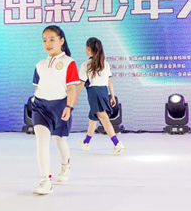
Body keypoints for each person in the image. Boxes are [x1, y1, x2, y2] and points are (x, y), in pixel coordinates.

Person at [31, 25, 79, 195]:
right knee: (42, 142)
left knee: (59, 140)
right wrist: (34, 99)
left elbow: (72, 88)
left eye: (52, 39)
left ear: (61, 41)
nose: (48, 44)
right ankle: (45, 181)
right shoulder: (40, 65)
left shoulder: (69, 62)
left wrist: (69, 107)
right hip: (40, 107)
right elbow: (37, 87)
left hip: (60, 107)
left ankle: (65, 166)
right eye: (44, 40)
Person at [76, 37, 125, 156]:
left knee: (103, 118)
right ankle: (86, 142)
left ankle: (117, 144)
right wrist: (112, 95)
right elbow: (109, 81)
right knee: (93, 118)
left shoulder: (86, 65)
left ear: (88, 49)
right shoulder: (105, 64)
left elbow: (81, 83)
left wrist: (75, 96)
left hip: (94, 93)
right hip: (103, 92)